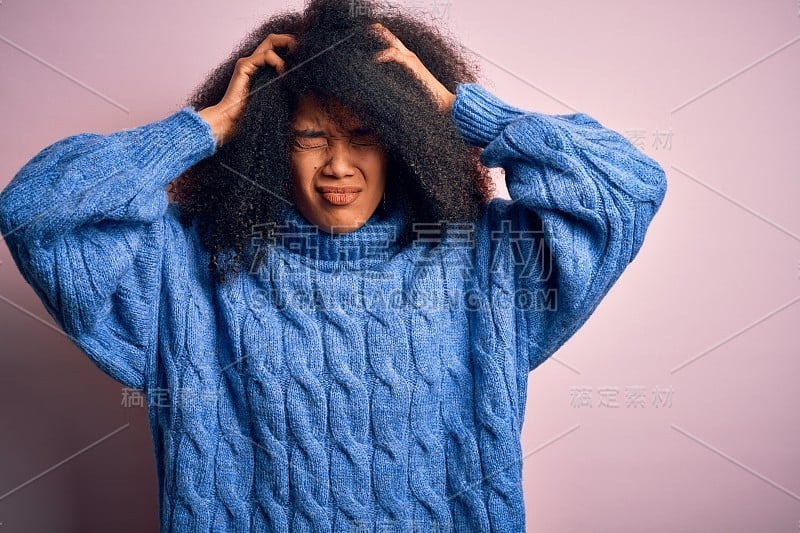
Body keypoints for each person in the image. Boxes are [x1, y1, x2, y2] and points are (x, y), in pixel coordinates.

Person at [0, 0, 668, 531]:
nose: (338, 166)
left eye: (366, 136)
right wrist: (199, 127)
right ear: (266, 145)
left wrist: (463, 113)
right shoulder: (186, 270)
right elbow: (36, 209)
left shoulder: (485, 265)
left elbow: (627, 185)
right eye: (309, 138)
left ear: (406, 141)